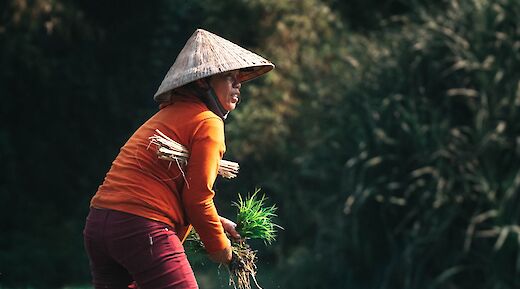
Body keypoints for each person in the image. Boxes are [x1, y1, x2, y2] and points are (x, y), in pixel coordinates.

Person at [83, 28, 274, 289]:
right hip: (141, 227)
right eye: (228, 77)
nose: (238, 84)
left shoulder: (166, 117)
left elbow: (162, 191)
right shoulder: (208, 122)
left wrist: (215, 224)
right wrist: (222, 250)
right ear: (202, 82)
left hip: (99, 225)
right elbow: (197, 199)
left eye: (238, 78)